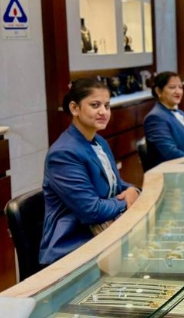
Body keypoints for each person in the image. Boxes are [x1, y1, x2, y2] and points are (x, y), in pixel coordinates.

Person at [41, 78, 141, 266]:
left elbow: (116, 184)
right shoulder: (63, 153)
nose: (103, 112)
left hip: (106, 238)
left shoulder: (99, 141)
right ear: (74, 108)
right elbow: (92, 211)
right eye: (95, 105)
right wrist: (126, 201)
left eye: (107, 106)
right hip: (74, 250)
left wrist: (133, 190)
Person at [144, 71, 184, 166]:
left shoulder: (181, 113)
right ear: (158, 91)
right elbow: (170, 153)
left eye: (180, 87)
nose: (178, 92)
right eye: (172, 87)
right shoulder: (155, 118)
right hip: (180, 170)